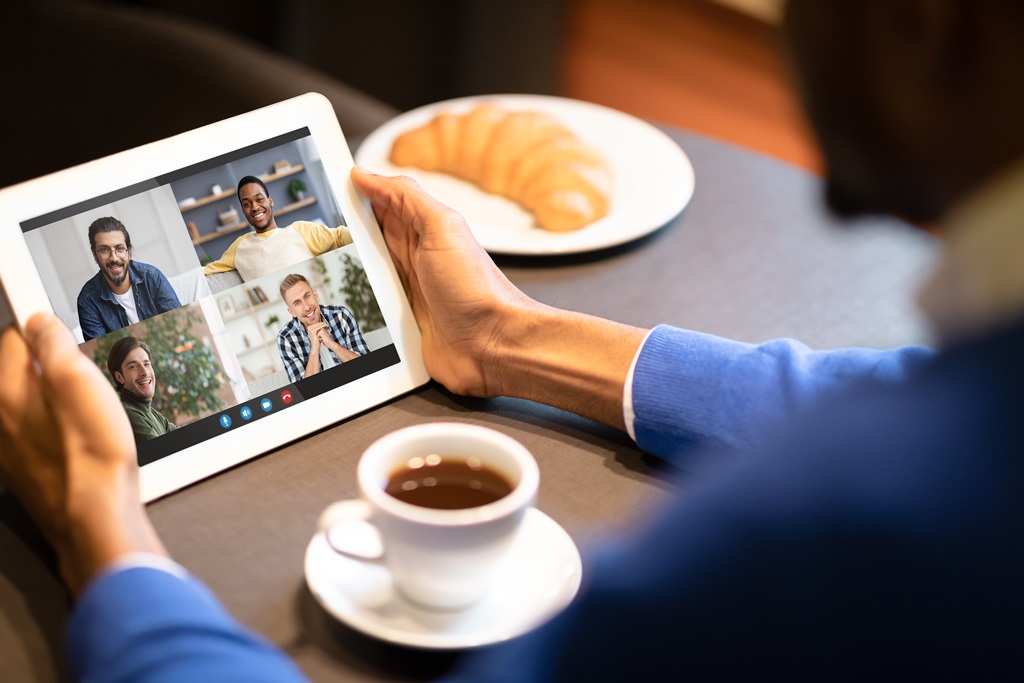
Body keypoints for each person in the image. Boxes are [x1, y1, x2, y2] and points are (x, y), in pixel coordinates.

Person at [1, 0, 1023, 680]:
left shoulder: (826, 531)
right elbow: (881, 391)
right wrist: (504, 334)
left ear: (919, 23)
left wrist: (101, 524)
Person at [202, 176, 353, 281]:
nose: (254, 207)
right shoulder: (239, 246)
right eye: (247, 204)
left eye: (259, 199)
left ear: (270, 201)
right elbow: (206, 272)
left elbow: (340, 236)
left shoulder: (301, 230)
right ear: (243, 211)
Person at [77, 217, 181, 341]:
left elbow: (178, 325)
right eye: (104, 250)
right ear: (95, 255)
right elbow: (101, 350)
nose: (114, 258)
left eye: (120, 248)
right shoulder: (88, 300)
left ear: (129, 251)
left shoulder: (152, 277)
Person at [276, 273, 368, 382]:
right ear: (292, 312)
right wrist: (314, 348)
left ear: (315, 295)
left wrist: (332, 344)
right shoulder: (286, 338)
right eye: (297, 303)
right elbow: (304, 389)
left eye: (307, 296)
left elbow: (367, 366)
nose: (307, 307)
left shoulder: (341, 315)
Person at [106, 336, 177, 444]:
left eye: (146, 364)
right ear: (119, 377)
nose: (145, 372)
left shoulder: (149, 411)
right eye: (133, 366)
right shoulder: (128, 414)